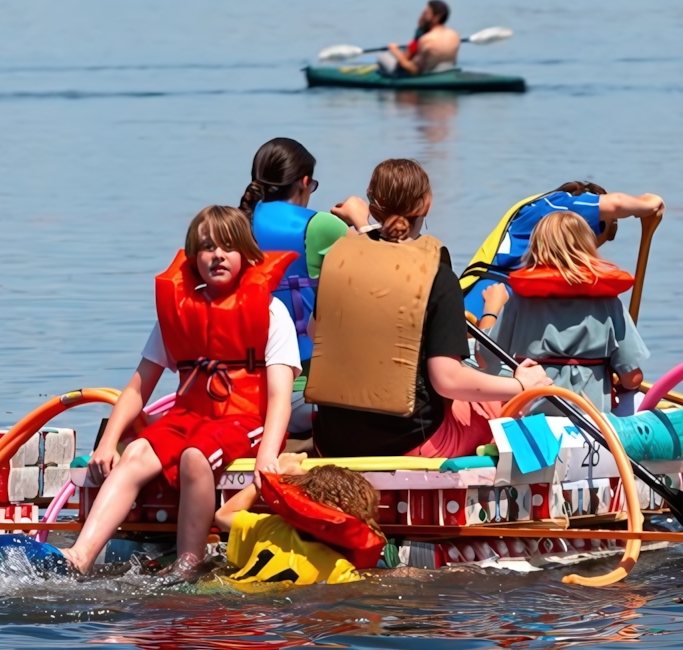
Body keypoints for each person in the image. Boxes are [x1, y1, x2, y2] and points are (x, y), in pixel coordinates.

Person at [63, 206, 300, 578]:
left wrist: (267, 455)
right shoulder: (180, 311)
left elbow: (281, 397)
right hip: (188, 417)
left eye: (227, 246)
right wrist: (108, 443)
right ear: (193, 257)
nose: (217, 255)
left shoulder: (271, 312)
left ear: (247, 254)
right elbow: (138, 387)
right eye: (207, 247)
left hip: (245, 421)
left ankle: (189, 563)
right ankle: (80, 556)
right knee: (137, 450)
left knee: (194, 456)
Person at [307, 159, 550, 459]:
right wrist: (519, 385)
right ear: (428, 203)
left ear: (371, 200)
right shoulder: (438, 275)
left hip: (333, 439)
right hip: (409, 444)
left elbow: (314, 331)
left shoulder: (339, 260)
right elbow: (446, 380)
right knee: (503, 409)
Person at [239, 137, 376, 435]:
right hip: (304, 390)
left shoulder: (232, 225)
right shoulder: (320, 226)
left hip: (244, 389)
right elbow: (390, 267)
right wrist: (361, 220)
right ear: (304, 182)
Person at [475, 211, 649, 414]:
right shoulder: (609, 302)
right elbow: (632, 378)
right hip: (592, 423)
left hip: (532, 423)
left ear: (536, 249)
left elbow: (485, 359)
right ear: (587, 248)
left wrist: (490, 310)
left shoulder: (521, 300)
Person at [460, 181, 665, 319]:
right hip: (486, 299)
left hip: (513, 305)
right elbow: (617, 203)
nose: (607, 237)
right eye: (607, 227)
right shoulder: (556, 204)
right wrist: (649, 203)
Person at [212, 461, 385, 585]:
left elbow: (222, 515)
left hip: (222, 595)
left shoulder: (273, 526)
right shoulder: (339, 572)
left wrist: (269, 478)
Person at [378, 0, 459, 77]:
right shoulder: (454, 35)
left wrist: (394, 50)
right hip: (445, 69)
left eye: (426, 13)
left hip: (426, 74)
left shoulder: (426, 40)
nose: (422, 15)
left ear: (436, 18)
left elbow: (413, 70)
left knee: (383, 56)